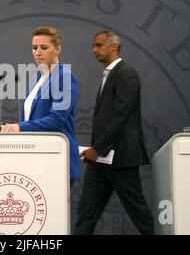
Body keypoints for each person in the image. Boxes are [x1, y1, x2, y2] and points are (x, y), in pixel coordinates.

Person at [74, 31, 154, 235]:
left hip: (121, 159)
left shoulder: (126, 73)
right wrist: (97, 152)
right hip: (100, 162)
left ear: (114, 47)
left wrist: (97, 148)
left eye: (99, 45)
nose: (94, 50)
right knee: (86, 214)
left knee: (139, 213)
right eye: (93, 46)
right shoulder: (109, 74)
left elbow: (121, 116)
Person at [1, 26, 81, 182]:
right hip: (37, 157)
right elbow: (31, 118)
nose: (38, 52)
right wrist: (13, 127)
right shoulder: (37, 79)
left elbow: (57, 118)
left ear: (58, 49)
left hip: (57, 158)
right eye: (34, 48)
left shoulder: (64, 77)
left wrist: (20, 127)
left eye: (44, 47)